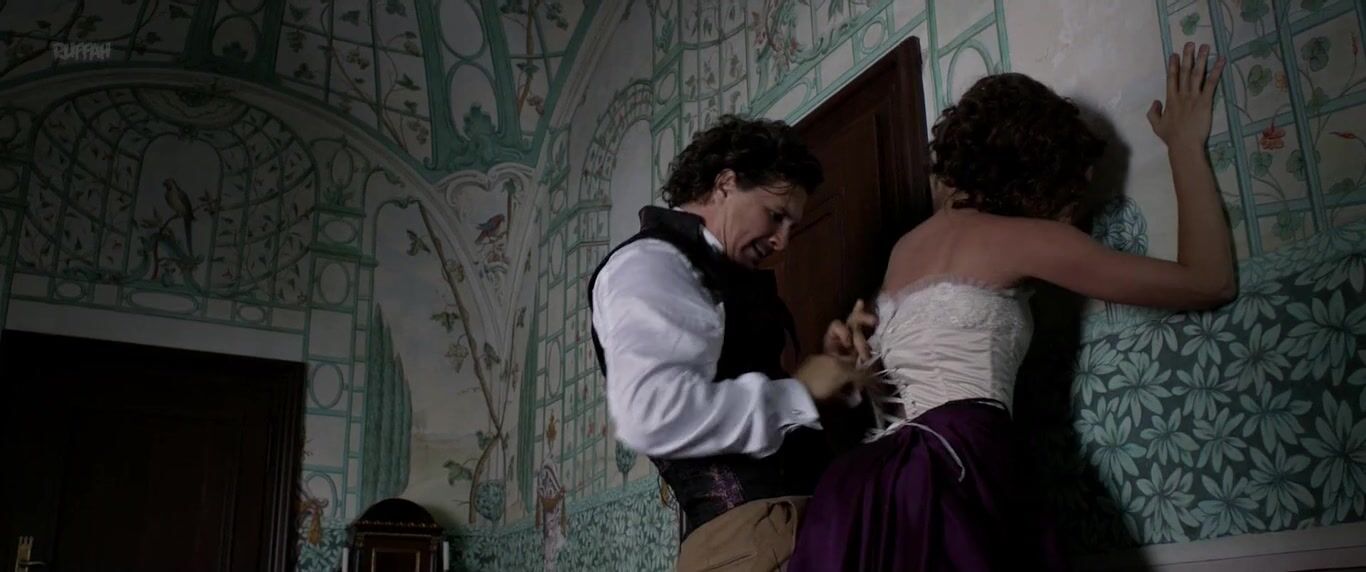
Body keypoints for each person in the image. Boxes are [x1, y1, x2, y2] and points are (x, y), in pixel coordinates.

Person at [788, 42, 1235, 571]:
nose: (1073, 209)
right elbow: (1208, 281)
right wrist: (1184, 144)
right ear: (1039, 171)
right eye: (1072, 188)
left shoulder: (904, 249)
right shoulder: (1023, 239)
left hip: (874, 488)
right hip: (963, 463)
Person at [588, 115, 875, 571]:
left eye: (791, 225)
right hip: (748, 545)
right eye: (775, 215)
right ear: (725, 184)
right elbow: (651, 412)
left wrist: (827, 370)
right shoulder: (650, 262)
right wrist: (799, 391)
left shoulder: (717, 271)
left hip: (793, 530)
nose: (783, 241)